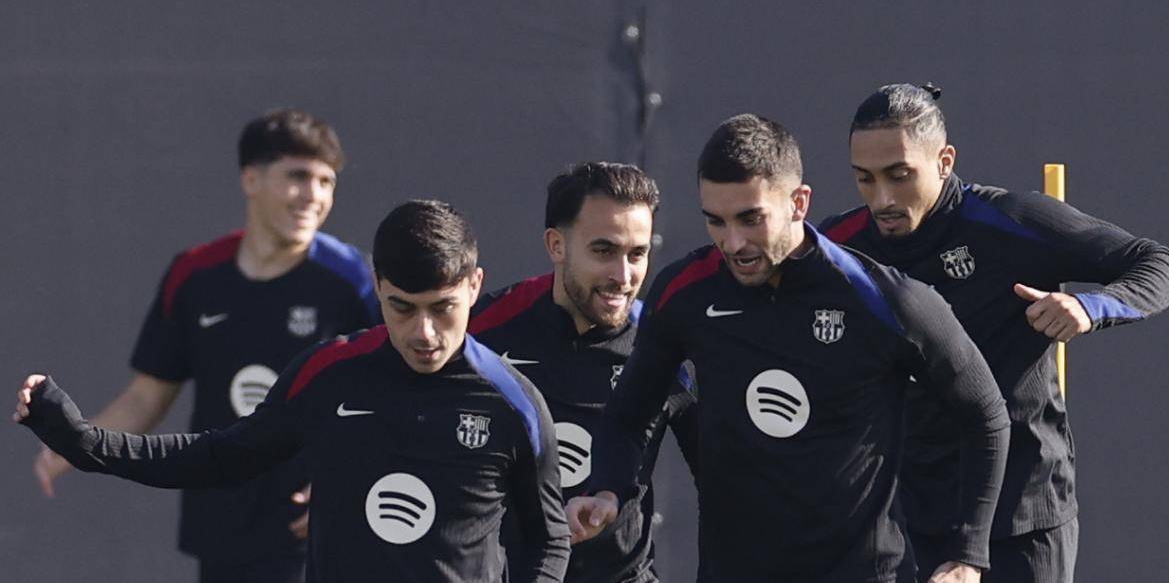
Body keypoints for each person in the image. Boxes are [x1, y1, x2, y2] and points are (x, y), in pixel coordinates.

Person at [14, 200, 571, 582]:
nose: (425, 333)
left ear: (474, 286)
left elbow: (548, 540)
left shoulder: (516, 403)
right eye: (403, 308)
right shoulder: (328, 374)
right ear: (378, 287)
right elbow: (218, 457)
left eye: (442, 308)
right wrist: (85, 443)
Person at [569, 114, 1011, 583]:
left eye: (751, 219)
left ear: (799, 203)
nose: (733, 242)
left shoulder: (886, 299)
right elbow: (630, 413)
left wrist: (968, 554)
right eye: (715, 221)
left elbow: (985, 414)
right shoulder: (685, 291)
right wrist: (609, 489)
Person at [821, 83, 1169, 582]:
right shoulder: (842, 245)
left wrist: (1088, 306)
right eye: (864, 179)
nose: (882, 198)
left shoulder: (1009, 221)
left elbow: (1162, 265)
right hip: (911, 519)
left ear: (944, 161)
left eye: (899, 175)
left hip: (1024, 517)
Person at [31, 108, 377, 582]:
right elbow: (147, 396)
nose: (314, 196)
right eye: (298, 177)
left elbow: (393, 393)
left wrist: (348, 479)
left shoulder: (354, 280)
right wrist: (75, 441)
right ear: (251, 179)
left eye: (326, 182)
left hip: (314, 530)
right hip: (222, 519)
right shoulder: (194, 275)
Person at [469, 162, 697, 583]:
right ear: (556, 245)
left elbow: (730, 469)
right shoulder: (482, 332)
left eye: (637, 254)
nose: (623, 277)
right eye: (603, 251)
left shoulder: (665, 345)